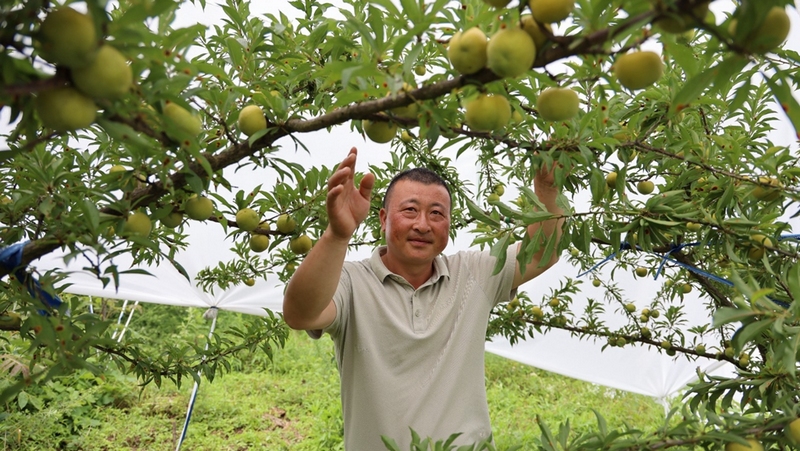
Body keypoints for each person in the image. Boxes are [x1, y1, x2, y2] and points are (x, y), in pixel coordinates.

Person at [282, 147, 565, 450]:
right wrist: (337, 235)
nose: (422, 225)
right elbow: (301, 314)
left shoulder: (473, 273)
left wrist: (548, 189)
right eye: (409, 210)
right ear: (383, 219)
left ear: (449, 225)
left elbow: (540, 252)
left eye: (436, 214)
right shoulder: (351, 281)